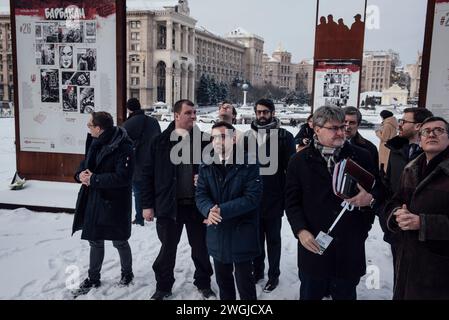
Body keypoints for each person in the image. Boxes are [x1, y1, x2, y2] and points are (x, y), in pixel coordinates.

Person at [285, 106, 381, 300]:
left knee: (345, 294)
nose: (341, 132)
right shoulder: (298, 161)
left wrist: (367, 212)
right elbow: (292, 202)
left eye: (342, 127)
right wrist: (301, 231)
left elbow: (378, 191)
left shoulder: (362, 156)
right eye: (333, 128)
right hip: (313, 246)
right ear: (317, 129)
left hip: (349, 247)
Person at [141, 99, 215, 300]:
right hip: (168, 206)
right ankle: (163, 286)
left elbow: (217, 172)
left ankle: (204, 282)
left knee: (201, 248)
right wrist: (146, 205)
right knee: (167, 250)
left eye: (194, 112)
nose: (193, 116)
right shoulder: (159, 142)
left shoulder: (205, 141)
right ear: (176, 115)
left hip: (197, 207)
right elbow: (146, 175)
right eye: (188, 113)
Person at [384, 116, 449, 299]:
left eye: (439, 130)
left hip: (439, 270)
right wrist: (397, 214)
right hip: (407, 262)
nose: (432, 134)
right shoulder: (411, 169)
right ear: (419, 140)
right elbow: (395, 201)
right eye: (426, 131)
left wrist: (423, 223)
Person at [196, 121, 262, 300]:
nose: (217, 141)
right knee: (223, 282)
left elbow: (252, 198)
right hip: (217, 233)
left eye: (223, 136)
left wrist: (219, 211)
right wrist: (208, 209)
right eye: (214, 137)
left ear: (233, 139)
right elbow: (200, 194)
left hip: (242, 232)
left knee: (245, 283)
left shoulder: (249, 163)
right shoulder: (206, 164)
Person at [71, 112, 135, 296]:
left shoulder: (124, 146)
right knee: (95, 240)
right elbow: (85, 163)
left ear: (99, 128)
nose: (88, 128)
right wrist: (80, 175)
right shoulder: (94, 141)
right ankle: (93, 278)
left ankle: (127, 274)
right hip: (95, 200)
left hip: (115, 202)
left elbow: (124, 177)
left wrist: (95, 180)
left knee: (120, 240)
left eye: (90, 125)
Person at [247, 99, 295, 292]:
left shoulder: (285, 136)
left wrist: (286, 199)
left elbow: (290, 172)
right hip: (251, 200)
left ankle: (273, 275)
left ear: (273, 113)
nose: (262, 115)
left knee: (273, 240)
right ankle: (257, 271)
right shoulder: (247, 137)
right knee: (255, 239)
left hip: (274, 198)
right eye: (259, 112)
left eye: (266, 112)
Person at [380, 107, 433, 284]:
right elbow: (388, 186)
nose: (399, 124)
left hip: (426, 234)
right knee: (400, 278)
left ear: (418, 126)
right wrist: (387, 216)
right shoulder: (396, 150)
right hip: (397, 228)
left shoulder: (434, 155)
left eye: (404, 121)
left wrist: (422, 221)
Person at [122, 98, 161, 226]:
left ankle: (140, 218)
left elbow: (122, 143)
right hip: (154, 162)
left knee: (138, 191)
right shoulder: (153, 121)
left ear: (129, 109)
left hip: (138, 163)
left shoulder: (129, 123)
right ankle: (153, 212)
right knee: (152, 188)